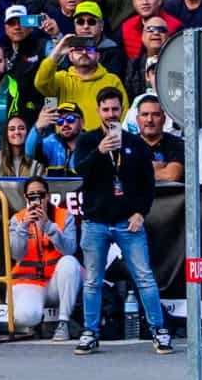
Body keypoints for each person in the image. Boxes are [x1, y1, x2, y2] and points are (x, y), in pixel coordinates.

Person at [72, 85, 171, 354]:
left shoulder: (136, 144)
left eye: (116, 109)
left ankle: (159, 330)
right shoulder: (88, 141)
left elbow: (147, 184)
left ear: (123, 110)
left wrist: (141, 212)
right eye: (106, 109)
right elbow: (80, 170)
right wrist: (100, 151)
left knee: (145, 277)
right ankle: (90, 332)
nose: (111, 114)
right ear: (98, 111)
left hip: (128, 222)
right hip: (95, 222)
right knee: (92, 280)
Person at [8, 176, 83, 340]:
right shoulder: (18, 219)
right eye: (32, 195)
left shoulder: (64, 215)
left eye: (41, 195)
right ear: (26, 198)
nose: (37, 199)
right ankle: (37, 323)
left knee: (70, 263)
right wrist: (24, 227)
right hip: (30, 282)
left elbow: (70, 249)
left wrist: (48, 225)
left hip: (56, 283)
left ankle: (63, 322)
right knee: (25, 317)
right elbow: (16, 254)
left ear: (48, 196)